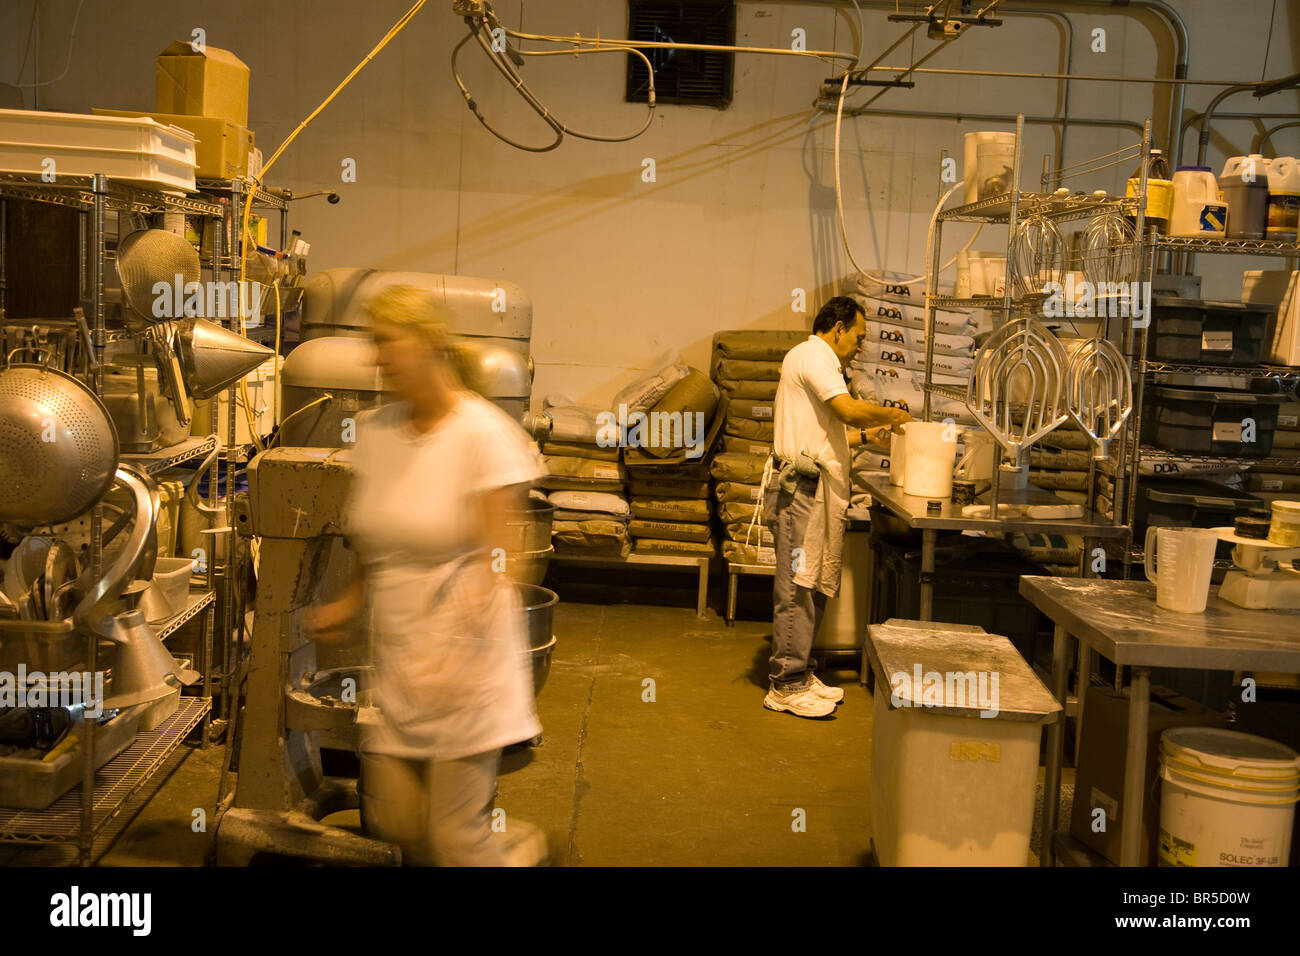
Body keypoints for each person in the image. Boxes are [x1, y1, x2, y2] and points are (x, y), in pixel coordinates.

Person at [304, 284, 547, 865]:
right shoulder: (377, 432)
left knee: (454, 844)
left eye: (388, 342)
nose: (377, 358)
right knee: (396, 825)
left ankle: (527, 854)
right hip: (401, 661)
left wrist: (461, 644)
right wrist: (349, 599)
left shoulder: (484, 435)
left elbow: (505, 559)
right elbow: (375, 535)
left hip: (465, 668)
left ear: (429, 343)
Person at [762, 296, 911, 718]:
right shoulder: (814, 354)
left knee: (810, 584)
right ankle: (785, 685)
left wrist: (872, 436)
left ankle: (801, 671)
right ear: (839, 327)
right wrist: (897, 417)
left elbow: (827, 435)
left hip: (815, 489)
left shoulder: (819, 361)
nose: (859, 346)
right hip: (800, 492)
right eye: (858, 337)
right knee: (795, 588)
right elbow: (846, 412)